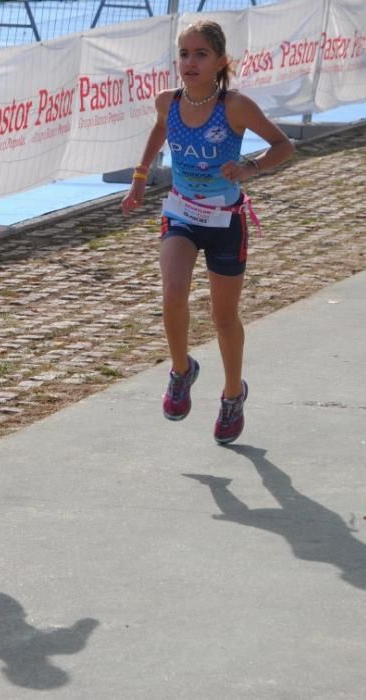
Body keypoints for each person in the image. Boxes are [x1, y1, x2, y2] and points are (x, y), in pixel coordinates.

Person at [121, 20, 294, 445]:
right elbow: (161, 128)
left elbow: (284, 146)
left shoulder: (235, 106)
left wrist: (250, 167)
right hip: (180, 215)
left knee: (223, 317)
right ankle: (181, 371)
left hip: (225, 221)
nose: (190, 62)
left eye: (200, 54)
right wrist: (141, 176)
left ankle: (233, 394)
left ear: (219, 62)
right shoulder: (167, 101)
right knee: (172, 296)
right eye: (183, 54)